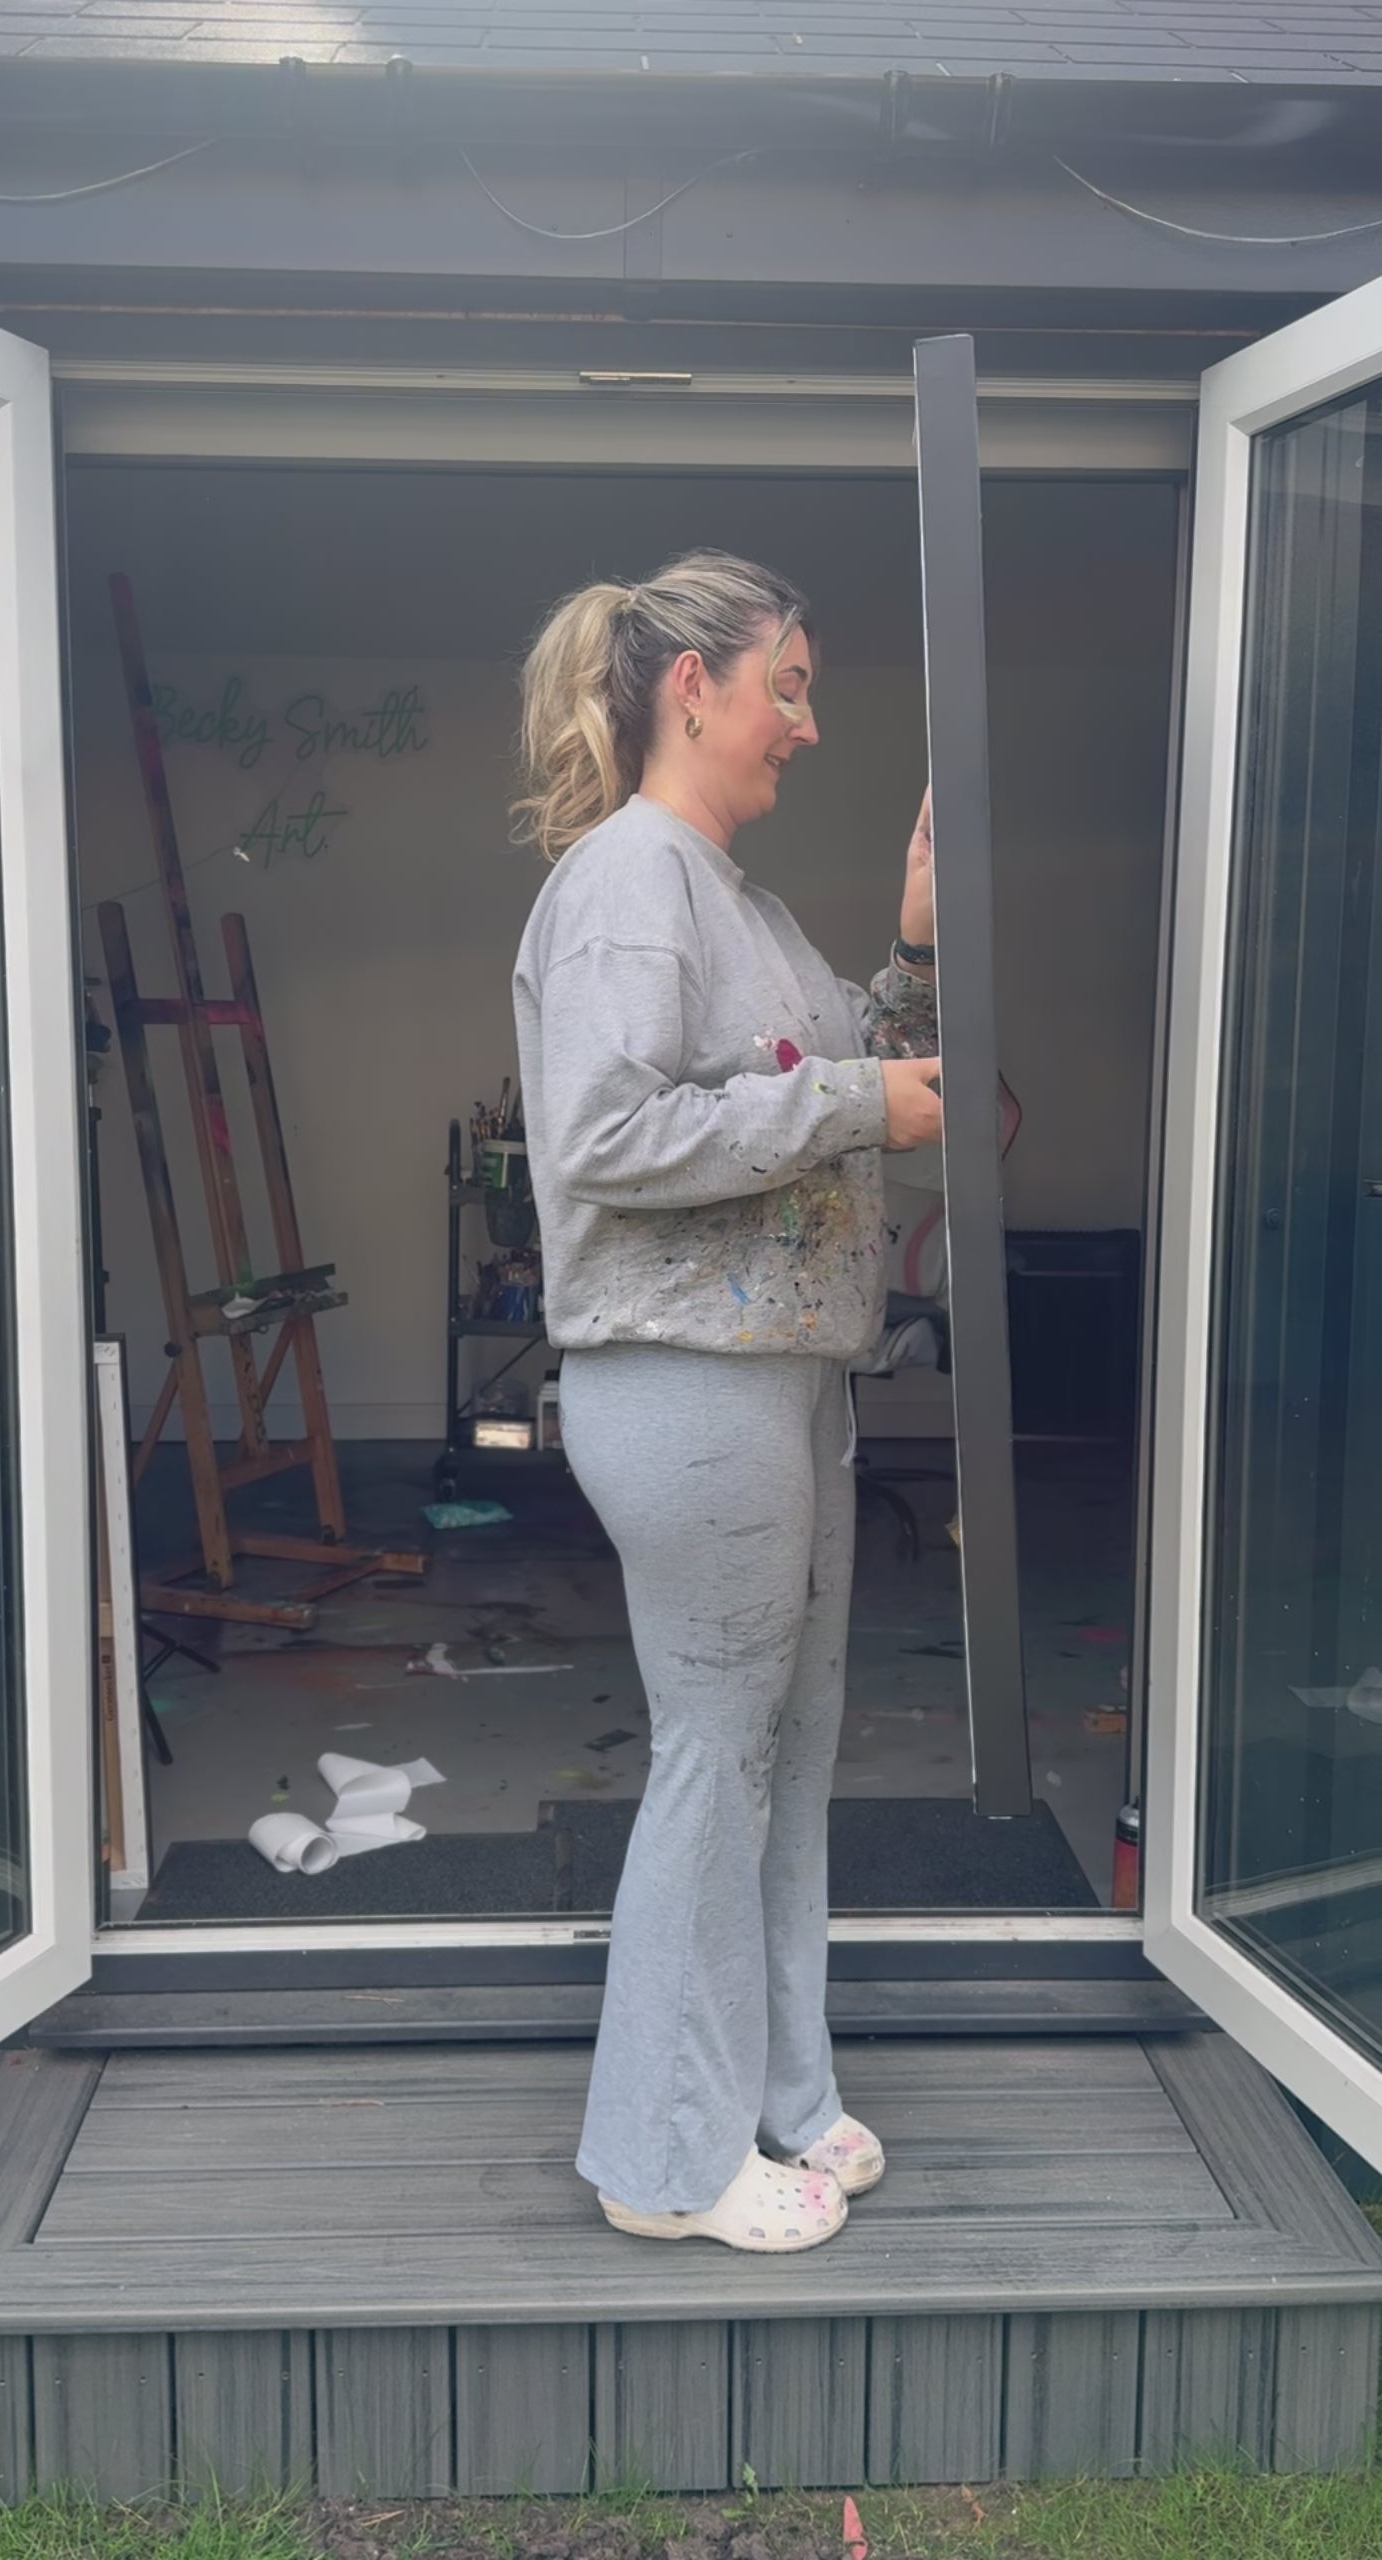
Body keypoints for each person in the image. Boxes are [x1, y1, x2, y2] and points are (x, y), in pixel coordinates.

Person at [511, 551, 941, 2254]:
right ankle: (663, 2158)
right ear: (693, 688)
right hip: (688, 1384)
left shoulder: (736, 903)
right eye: (790, 688)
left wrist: (912, 949)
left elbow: (847, 1068)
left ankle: (780, 2092)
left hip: (780, 1381)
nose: (807, 726)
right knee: (715, 1751)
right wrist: (853, 1100)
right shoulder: (633, 882)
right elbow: (605, 1135)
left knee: (785, 1750)